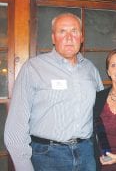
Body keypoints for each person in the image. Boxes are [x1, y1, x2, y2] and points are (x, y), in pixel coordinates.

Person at [4, 13, 103, 171]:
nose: (69, 37)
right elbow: (16, 126)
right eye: (62, 31)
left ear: (82, 37)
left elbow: (100, 115)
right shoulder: (33, 68)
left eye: (74, 31)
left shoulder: (90, 69)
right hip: (47, 156)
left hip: (86, 154)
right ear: (53, 37)